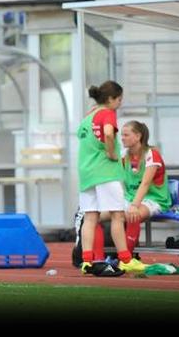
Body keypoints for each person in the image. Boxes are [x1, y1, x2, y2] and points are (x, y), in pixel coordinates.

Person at [77, 81, 144, 275]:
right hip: (105, 171)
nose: (120, 103)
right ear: (110, 99)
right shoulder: (107, 113)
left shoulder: (87, 117)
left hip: (86, 172)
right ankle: (125, 259)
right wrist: (112, 153)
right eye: (119, 99)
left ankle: (87, 261)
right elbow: (108, 134)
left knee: (90, 217)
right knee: (117, 214)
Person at [120, 121, 171, 254]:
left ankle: (127, 257)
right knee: (99, 215)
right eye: (121, 135)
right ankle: (94, 259)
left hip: (154, 199)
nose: (122, 138)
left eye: (126, 135)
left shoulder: (151, 155)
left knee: (133, 215)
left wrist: (134, 205)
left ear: (138, 136)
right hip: (131, 197)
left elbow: (145, 183)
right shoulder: (123, 155)